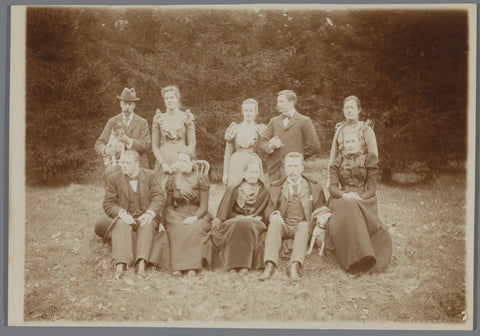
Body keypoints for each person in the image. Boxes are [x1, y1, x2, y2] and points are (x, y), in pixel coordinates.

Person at [326, 131, 392, 274]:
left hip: (364, 197)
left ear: (359, 143)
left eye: (353, 142)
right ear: (343, 145)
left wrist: (360, 198)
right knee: (349, 205)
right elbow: (332, 188)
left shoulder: (369, 159)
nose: (350, 145)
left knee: (354, 206)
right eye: (347, 142)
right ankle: (357, 258)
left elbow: (372, 188)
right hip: (342, 197)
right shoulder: (337, 161)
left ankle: (368, 255)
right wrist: (345, 194)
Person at [94, 150, 166, 279]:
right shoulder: (114, 178)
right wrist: (122, 213)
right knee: (121, 224)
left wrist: (150, 213)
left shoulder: (150, 175)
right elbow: (108, 203)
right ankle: (121, 263)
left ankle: (141, 263)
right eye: (122, 162)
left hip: (144, 215)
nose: (123, 165)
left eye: (128, 162)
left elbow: (159, 197)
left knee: (147, 224)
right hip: (126, 217)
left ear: (137, 164)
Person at [259, 152, 326, 281]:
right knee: (274, 223)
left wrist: (321, 218)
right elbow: (268, 208)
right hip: (283, 225)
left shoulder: (314, 187)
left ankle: (294, 265)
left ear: (302, 168)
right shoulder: (276, 186)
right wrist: (274, 214)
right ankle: (269, 264)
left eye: (295, 166)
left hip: (302, 227)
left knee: (304, 224)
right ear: (284, 168)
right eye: (289, 166)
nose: (292, 170)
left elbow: (320, 208)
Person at [209, 162, 270, 274]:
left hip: (256, 221)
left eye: (256, 172)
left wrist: (256, 218)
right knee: (240, 224)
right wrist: (239, 217)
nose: (254, 175)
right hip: (234, 220)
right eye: (251, 172)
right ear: (245, 173)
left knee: (246, 224)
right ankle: (234, 266)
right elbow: (226, 213)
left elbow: (267, 212)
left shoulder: (264, 190)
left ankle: (243, 266)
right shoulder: (234, 188)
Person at [163, 151, 211, 277]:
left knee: (194, 229)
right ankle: (178, 267)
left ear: (192, 162)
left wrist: (194, 217)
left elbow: (204, 206)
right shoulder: (173, 179)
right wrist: (162, 221)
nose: (181, 163)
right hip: (177, 213)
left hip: (197, 213)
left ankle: (192, 268)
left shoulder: (201, 178)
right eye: (179, 161)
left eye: (184, 160)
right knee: (178, 228)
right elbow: (168, 205)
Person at [261, 90, 320, 183]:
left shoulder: (304, 120)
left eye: (281, 101)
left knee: (293, 195)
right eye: (277, 101)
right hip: (275, 169)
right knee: (274, 196)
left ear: (291, 102)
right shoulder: (273, 121)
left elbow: (314, 145)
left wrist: (298, 157)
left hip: (294, 169)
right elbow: (262, 142)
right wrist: (270, 146)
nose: (278, 104)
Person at [95, 88, 151, 176]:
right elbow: (99, 143)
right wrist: (106, 150)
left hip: (137, 164)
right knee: (109, 172)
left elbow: (146, 145)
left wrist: (129, 141)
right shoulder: (112, 121)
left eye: (130, 104)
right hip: (117, 164)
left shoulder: (142, 122)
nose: (127, 107)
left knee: (144, 177)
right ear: (120, 104)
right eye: (124, 103)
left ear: (134, 105)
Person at [152, 86, 196, 181]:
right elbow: (154, 145)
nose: (169, 100)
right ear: (164, 100)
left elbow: (192, 143)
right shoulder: (158, 118)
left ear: (177, 99)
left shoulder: (186, 116)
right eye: (166, 98)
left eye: (172, 97)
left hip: (182, 158)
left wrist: (181, 161)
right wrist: (162, 163)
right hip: (164, 159)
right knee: (161, 190)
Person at [222, 98, 267, 186]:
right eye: (246, 110)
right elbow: (228, 152)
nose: (248, 113)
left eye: (251, 111)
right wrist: (225, 172)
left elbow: (264, 147)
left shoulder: (259, 129)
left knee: (254, 189)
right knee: (235, 190)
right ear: (242, 112)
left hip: (252, 162)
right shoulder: (234, 129)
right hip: (236, 162)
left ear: (255, 112)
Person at [328, 95, 378, 169]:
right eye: (346, 108)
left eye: (352, 107)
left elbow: (373, 155)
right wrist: (330, 177)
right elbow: (333, 155)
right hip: (342, 173)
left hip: (361, 174)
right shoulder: (340, 129)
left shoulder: (365, 129)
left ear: (359, 110)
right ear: (343, 110)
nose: (349, 111)